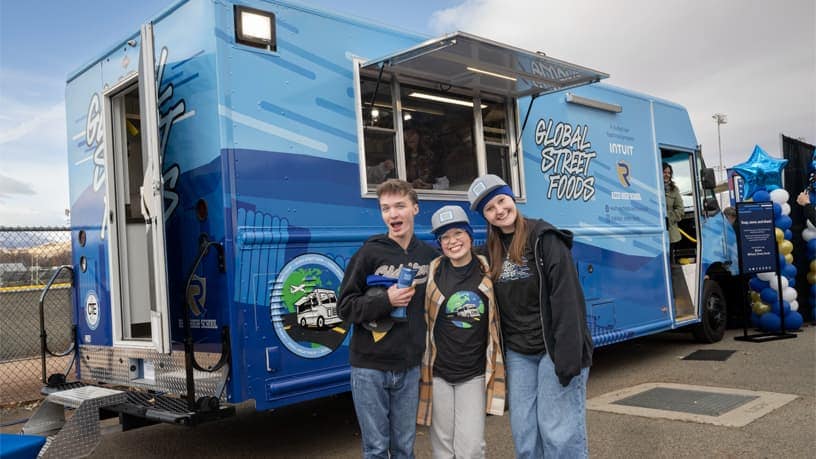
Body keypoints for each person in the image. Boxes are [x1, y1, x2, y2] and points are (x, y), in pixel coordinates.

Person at [467, 174, 593, 459]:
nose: (499, 210)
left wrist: (568, 356)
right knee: (524, 432)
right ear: (485, 216)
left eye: (501, 200)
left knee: (558, 431)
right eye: (489, 208)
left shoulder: (544, 239)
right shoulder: (489, 253)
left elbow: (567, 298)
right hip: (519, 352)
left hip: (555, 348)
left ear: (512, 197)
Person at [337, 179, 438, 459]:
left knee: (405, 449)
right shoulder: (369, 253)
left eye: (399, 206)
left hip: (409, 367)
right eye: (385, 208)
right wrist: (386, 300)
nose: (393, 214)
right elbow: (344, 307)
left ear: (415, 209)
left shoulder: (430, 257)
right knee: (376, 450)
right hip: (369, 368)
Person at [417, 205, 505, 459]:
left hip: (474, 374)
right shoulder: (433, 271)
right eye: (444, 237)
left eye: (458, 233)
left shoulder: (488, 269)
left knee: (471, 448)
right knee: (442, 448)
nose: (452, 241)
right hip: (439, 373)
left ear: (469, 234)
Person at [663, 162, 684, 261]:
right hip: (656, 232)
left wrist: (668, 219)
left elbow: (680, 210)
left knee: (670, 261)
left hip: (670, 233)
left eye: (669, 172)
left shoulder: (674, 190)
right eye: (664, 172)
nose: (667, 175)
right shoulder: (653, 187)